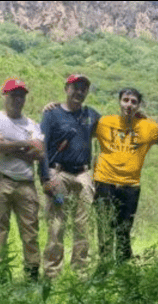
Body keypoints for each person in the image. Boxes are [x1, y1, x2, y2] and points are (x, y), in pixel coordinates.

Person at [0, 78, 47, 281]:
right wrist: (23, 144)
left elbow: (39, 153)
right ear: (5, 96)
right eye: (13, 95)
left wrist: (6, 145)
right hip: (0, 180)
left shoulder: (32, 125)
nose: (18, 99)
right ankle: (0, 275)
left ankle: (32, 274)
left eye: (21, 95)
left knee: (30, 231)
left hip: (26, 183)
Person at [41, 74, 101, 278]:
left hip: (83, 174)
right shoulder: (52, 114)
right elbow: (42, 146)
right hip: (58, 174)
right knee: (57, 223)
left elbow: (112, 126)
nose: (79, 92)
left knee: (83, 224)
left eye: (83, 88)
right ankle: (52, 273)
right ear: (66, 88)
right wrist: (45, 177)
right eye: (75, 87)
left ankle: (81, 272)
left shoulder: (91, 114)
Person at [93, 87, 158, 262]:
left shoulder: (148, 126)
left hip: (130, 185)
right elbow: (78, 126)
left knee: (124, 229)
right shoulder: (104, 122)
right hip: (104, 181)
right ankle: (105, 266)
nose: (129, 105)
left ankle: (122, 267)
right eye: (125, 100)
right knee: (104, 227)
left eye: (133, 102)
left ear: (139, 105)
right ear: (120, 102)